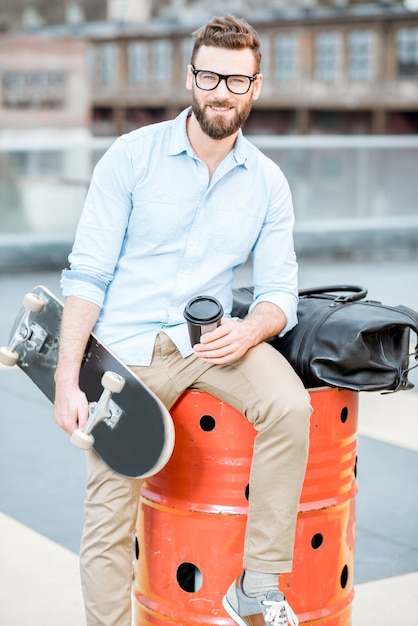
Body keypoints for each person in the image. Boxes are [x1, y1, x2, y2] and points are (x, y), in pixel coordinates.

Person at [54, 14, 311, 626]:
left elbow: (280, 292)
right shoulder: (130, 157)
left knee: (291, 407)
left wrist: (250, 330)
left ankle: (258, 583)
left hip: (210, 342)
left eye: (235, 80)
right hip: (128, 350)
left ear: (255, 87)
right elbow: (87, 274)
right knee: (109, 512)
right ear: (190, 77)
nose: (220, 90)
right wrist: (68, 379)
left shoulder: (268, 183)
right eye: (209, 75)